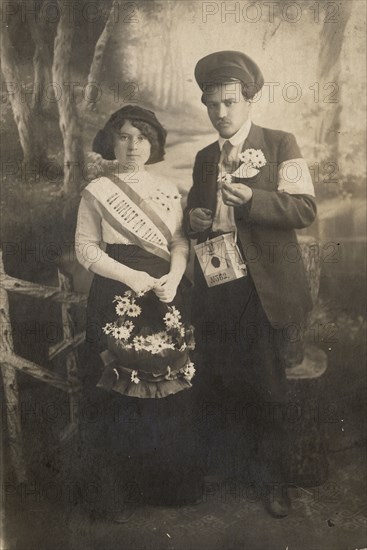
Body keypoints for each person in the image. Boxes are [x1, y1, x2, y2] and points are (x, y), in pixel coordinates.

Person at [185, 51, 317, 518]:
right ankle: (232, 469)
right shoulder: (204, 158)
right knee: (221, 380)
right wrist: (196, 219)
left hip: (264, 289)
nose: (220, 113)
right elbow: (198, 220)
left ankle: (276, 482)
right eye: (212, 104)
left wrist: (254, 201)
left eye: (229, 103)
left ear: (248, 101)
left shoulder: (281, 143)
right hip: (219, 287)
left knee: (268, 385)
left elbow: (304, 209)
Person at [75, 105, 202, 522]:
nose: (133, 145)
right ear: (111, 142)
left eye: (142, 137)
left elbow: (181, 242)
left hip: (165, 296)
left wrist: (175, 275)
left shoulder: (169, 189)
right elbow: (86, 249)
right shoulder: (97, 191)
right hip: (116, 294)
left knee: (167, 383)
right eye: (125, 136)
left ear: (154, 143)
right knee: (116, 386)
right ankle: (113, 492)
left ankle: (165, 486)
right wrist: (130, 276)